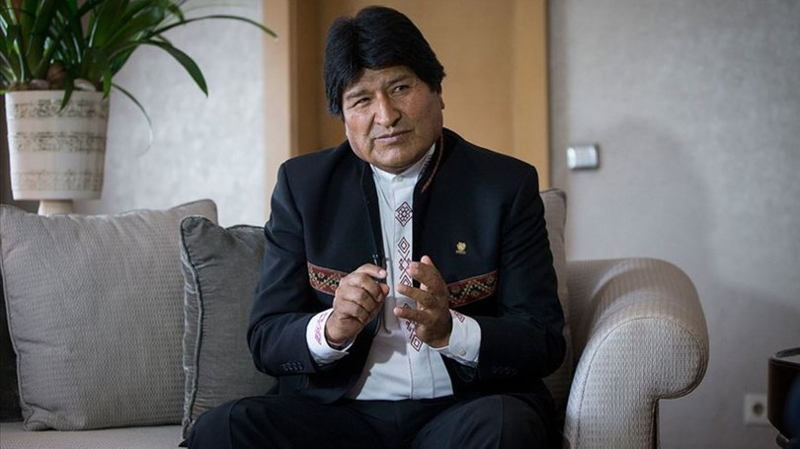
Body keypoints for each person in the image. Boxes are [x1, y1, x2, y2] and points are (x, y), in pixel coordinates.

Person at [188, 6, 565, 449]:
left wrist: (452, 329)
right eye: (361, 100)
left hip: (463, 410)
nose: (386, 116)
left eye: (400, 88)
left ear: (437, 91)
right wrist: (332, 328)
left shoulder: (504, 185)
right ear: (344, 116)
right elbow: (267, 338)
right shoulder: (303, 187)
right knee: (225, 429)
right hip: (339, 418)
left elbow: (542, 339)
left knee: (506, 426)